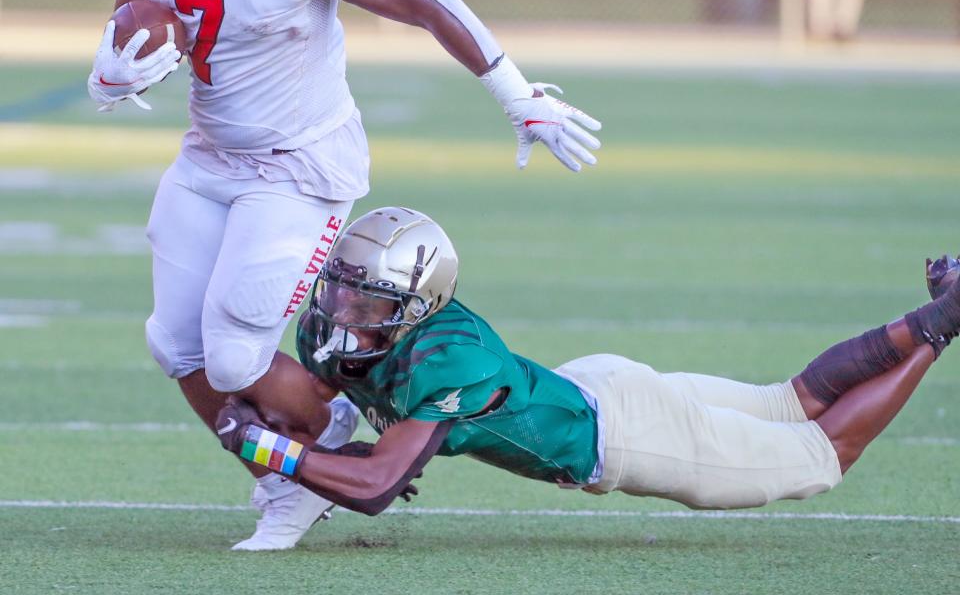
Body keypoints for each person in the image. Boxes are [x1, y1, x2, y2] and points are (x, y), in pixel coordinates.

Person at [85, 0, 601, 551]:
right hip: (211, 154)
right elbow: (144, 0)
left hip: (299, 164)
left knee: (232, 355)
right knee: (174, 343)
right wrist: (123, 56)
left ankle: (326, 431)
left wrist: (515, 92)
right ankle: (281, 487)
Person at [216, 206, 960, 519]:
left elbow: (377, 485)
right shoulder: (336, 333)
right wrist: (257, 415)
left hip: (620, 431)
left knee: (821, 452)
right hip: (593, 389)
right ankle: (942, 306)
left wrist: (260, 444)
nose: (343, 309)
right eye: (341, 286)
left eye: (365, 299)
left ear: (413, 304)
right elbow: (324, 417)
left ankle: (946, 317)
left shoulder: (453, 360)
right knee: (789, 399)